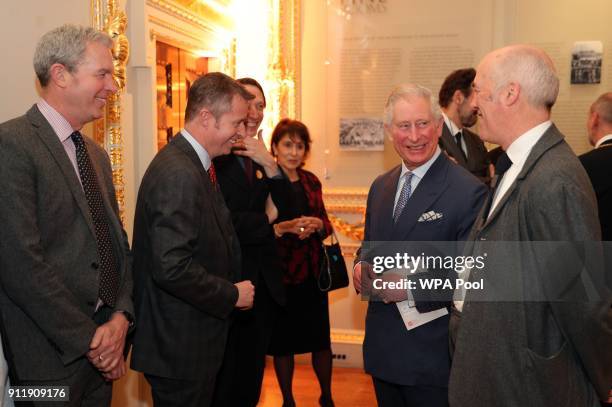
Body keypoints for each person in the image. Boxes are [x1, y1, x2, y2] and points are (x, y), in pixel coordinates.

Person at [449, 45, 612, 407]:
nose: (474, 104)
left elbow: (583, 304)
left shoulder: (556, 179)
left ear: (510, 94)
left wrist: (604, 382)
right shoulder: (520, 165)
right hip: (496, 378)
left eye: (479, 89)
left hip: (526, 387)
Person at [0, 24, 133, 406]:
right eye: (102, 74)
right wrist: (91, 340)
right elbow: (21, 264)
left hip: (104, 350)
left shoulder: (96, 154)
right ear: (60, 74)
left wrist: (120, 318)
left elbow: (117, 248)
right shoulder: (12, 144)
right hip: (45, 360)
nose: (112, 86)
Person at [352, 84, 487, 407]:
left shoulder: (467, 190)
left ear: (439, 126)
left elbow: (474, 276)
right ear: (388, 131)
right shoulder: (380, 187)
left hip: (433, 358)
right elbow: (368, 246)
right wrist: (360, 266)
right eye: (404, 126)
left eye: (423, 124)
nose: (415, 136)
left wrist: (411, 287)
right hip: (384, 351)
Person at [130, 72, 255, 407]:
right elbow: (171, 266)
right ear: (205, 117)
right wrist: (231, 294)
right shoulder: (179, 173)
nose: (241, 133)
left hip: (190, 344)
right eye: (236, 123)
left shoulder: (195, 165)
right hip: (179, 349)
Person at [211, 77, 290, 407]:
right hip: (227, 282)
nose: (255, 112)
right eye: (249, 103)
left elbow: (291, 203)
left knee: (252, 378)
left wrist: (269, 163)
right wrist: (267, 220)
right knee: (225, 378)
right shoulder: (217, 153)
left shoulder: (260, 153)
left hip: (263, 284)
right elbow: (224, 220)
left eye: (260, 106)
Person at [267, 119, 335, 407]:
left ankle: (327, 397)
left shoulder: (311, 181)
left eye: (300, 146)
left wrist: (317, 223)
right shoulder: (266, 180)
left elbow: (327, 226)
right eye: (287, 145)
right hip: (280, 275)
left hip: (311, 273)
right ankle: (288, 400)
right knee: (283, 344)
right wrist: (283, 228)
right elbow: (258, 228)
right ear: (274, 148)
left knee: (321, 341)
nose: (294, 152)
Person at [438, 68, 490, 184]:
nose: (478, 105)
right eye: (476, 96)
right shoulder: (431, 138)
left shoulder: (477, 141)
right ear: (458, 98)